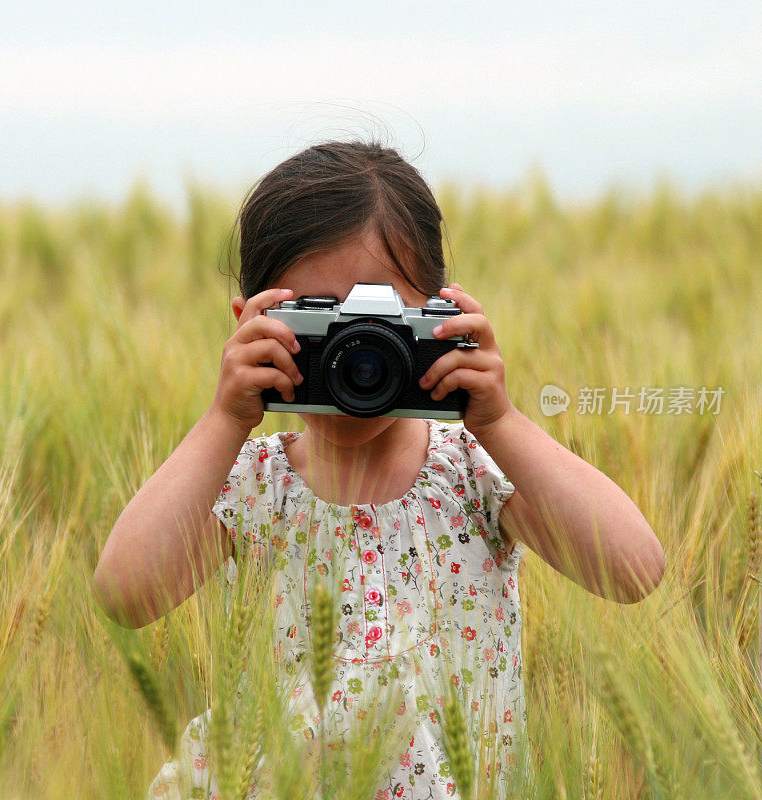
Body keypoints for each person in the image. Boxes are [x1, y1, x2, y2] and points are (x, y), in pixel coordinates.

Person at [93, 140, 665, 800]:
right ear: (250, 327)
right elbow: (124, 597)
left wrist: (501, 422)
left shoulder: (476, 473)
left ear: (440, 317)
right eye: (322, 320)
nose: (357, 352)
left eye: (379, 321)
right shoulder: (252, 483)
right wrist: (225, 418)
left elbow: (634, 571)